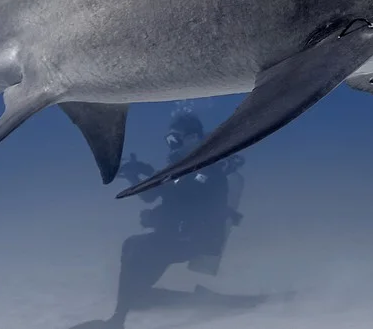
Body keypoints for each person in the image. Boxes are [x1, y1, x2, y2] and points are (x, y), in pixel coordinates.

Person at [74, 112, 250, 329]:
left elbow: (186, 197)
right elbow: (153, 195)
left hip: (198, 238)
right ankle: (141, 298)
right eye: (169, 140)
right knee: (133, 247)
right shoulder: (181, 165)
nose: (171, 146)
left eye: (175, 139)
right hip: (178, 235)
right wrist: (135, 173)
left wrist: (154, 212)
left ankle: (119, 318)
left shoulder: (209, 166)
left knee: (138, 247)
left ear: (193, 138)